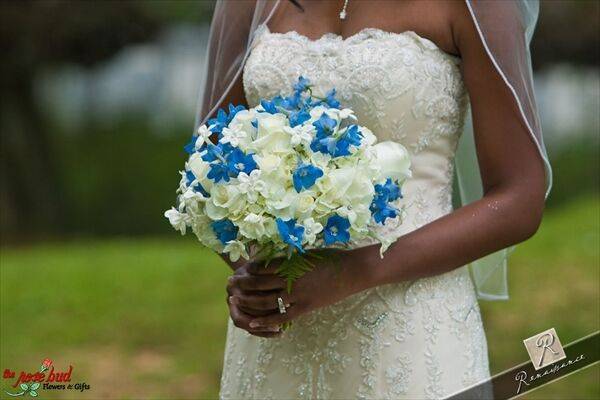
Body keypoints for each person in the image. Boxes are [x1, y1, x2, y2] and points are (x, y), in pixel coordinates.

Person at [199, 1, 550, 398]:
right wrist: (256, 278)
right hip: (279, 335)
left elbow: (519, 197)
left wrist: (352, 272)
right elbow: (213, 164)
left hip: (411, 329)